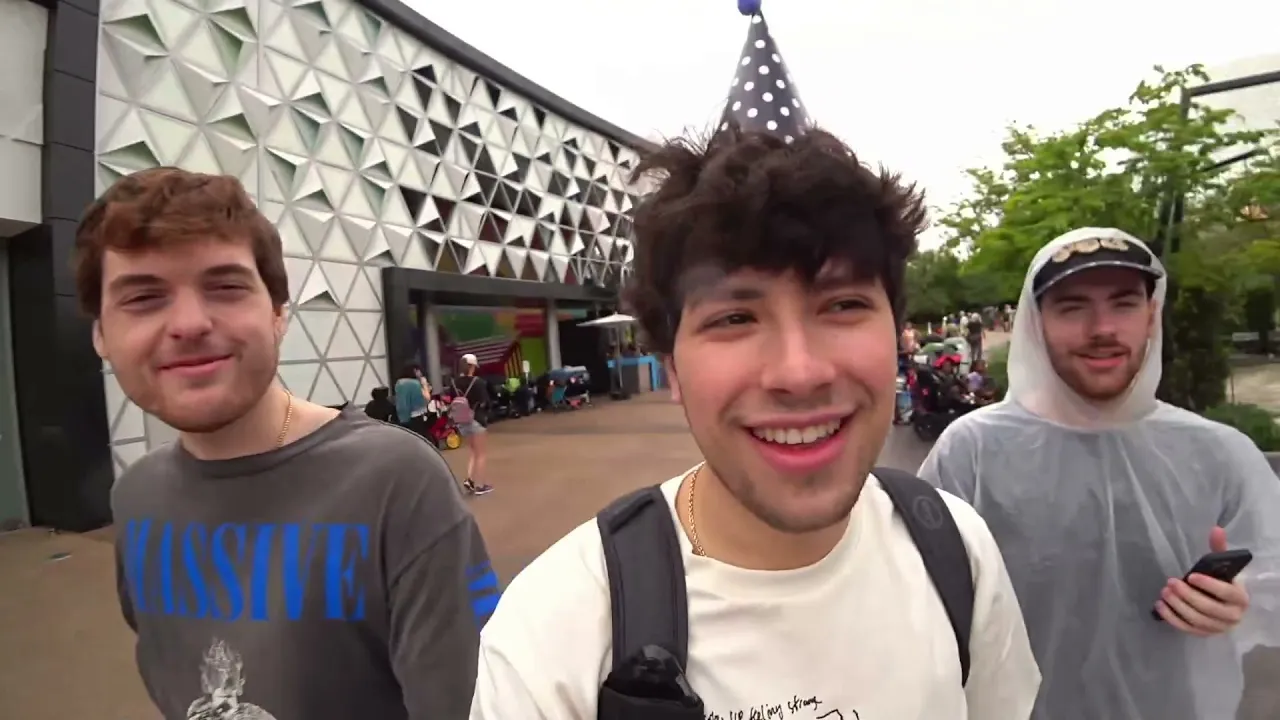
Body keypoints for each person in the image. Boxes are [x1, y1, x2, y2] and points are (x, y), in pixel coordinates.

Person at [469, 126, 1040, 719]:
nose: (799, 373)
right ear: (672, 368)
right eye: (735, 318)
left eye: (842, 305)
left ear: (897, 333)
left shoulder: (956, 552)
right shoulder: (554, 636)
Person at [79, 167, 495, 719]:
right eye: (143, 297)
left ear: (278, 314)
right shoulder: (136, 495)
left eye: (225, 287)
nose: (189, 323)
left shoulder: (396, 483)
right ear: (101, 335)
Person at [919, 227, 1280, 719]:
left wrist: (1241, 602)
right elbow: (915, 600)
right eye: (1073, 307)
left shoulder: (1219, 455)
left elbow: (1271, 578)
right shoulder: (972, 451)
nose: (1102, 328)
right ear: (1036, 322)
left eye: (1124, 304)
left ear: (1152, 314)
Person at [452, 353, 493, 496]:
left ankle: (470, 479)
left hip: (462, 420)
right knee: (481, 454)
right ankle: (480, 485)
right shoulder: (478, 382)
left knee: (473, 452)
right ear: (471, 367)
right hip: (476, 419)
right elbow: (485, 401)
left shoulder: (454, 382)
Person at [395, 364, 431, 433]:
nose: (421, 373)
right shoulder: (415, 384)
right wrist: (425, 384)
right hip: (417, 416)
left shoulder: (400, 383)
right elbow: (427, 399)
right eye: (419, 371)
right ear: (415, 371)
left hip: (404, 417)